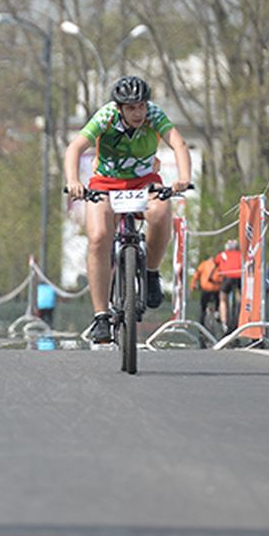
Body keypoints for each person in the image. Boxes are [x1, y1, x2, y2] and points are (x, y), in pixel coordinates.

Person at [63, 75, 192, 344]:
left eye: (141, 106)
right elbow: (75, 147)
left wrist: (184, 178)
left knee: (161, 211)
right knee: (98, 237)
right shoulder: (106, 117)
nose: (138, 113)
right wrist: (73, 181)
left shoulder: (154, 115)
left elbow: (178, 144)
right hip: (106, 183)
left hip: (144, 182)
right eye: (131, 108)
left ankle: (151, 272)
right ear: (120, 108)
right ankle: (101, 316)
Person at [212, 240, 243, 332]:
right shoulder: (241, 254)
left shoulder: (223, 254)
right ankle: (239, 319)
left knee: (223, 299)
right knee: (241, 298)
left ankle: (224, 323)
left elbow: (215, 264)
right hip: (239, 276)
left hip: (228, 276)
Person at [190, 254, 222, 327]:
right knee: (218, 302)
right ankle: (217, 312)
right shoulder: (219, 265)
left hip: (206, 288)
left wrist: (192, 285)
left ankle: (201, 324)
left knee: (203, 308)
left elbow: (196, 274)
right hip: (216, 289)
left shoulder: (204, 264)